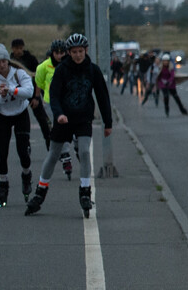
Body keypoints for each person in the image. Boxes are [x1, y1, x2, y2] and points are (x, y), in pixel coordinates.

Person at [25, 33, 113, 217]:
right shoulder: (62, 70)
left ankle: (85, 191)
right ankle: (40, 191)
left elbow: (103, 97)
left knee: (83, 152)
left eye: (81, 51)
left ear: (86, 51)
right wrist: (59, 114)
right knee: (53, 154)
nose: (78, 55)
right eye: (74, 52)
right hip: (63, 118)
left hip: (83, 118)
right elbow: (54, 95)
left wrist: (108, 122)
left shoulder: (93, 70)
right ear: (69, 52)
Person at [0, 44, 35, 207]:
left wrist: (11, 90)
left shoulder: (18, 74)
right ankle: (3, 185)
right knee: (3, 153)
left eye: (4, 61)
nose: (1, 65)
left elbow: (29, 91)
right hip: (3, 116)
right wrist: (0, 96)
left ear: (8, 60)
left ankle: (26, 175)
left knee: (23, 152)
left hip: (20, 114)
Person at [35, 40, 74, 179]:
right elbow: (39, 84)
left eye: (61, 52)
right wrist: (36, 98)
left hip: (68, 102)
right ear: (52, 52)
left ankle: (75, 145)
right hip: (51, 103)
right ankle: (66, 157)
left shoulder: (71, 65)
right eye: (56, 52)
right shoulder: (44, 67)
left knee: (72, 127)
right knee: (60, 127)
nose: (59, 55)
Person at [10, 38, 52, 147]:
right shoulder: (9, 60)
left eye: (20, 48)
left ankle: (49, 139)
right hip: (17, 93)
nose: (18, 51)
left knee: (41, 117)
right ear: (12, 49)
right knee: (19, 119)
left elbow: (38, 78)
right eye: (16, 48)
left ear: (23, 48)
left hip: (32, 90)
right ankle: (24, 143)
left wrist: (37, 97)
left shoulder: (31, 59)